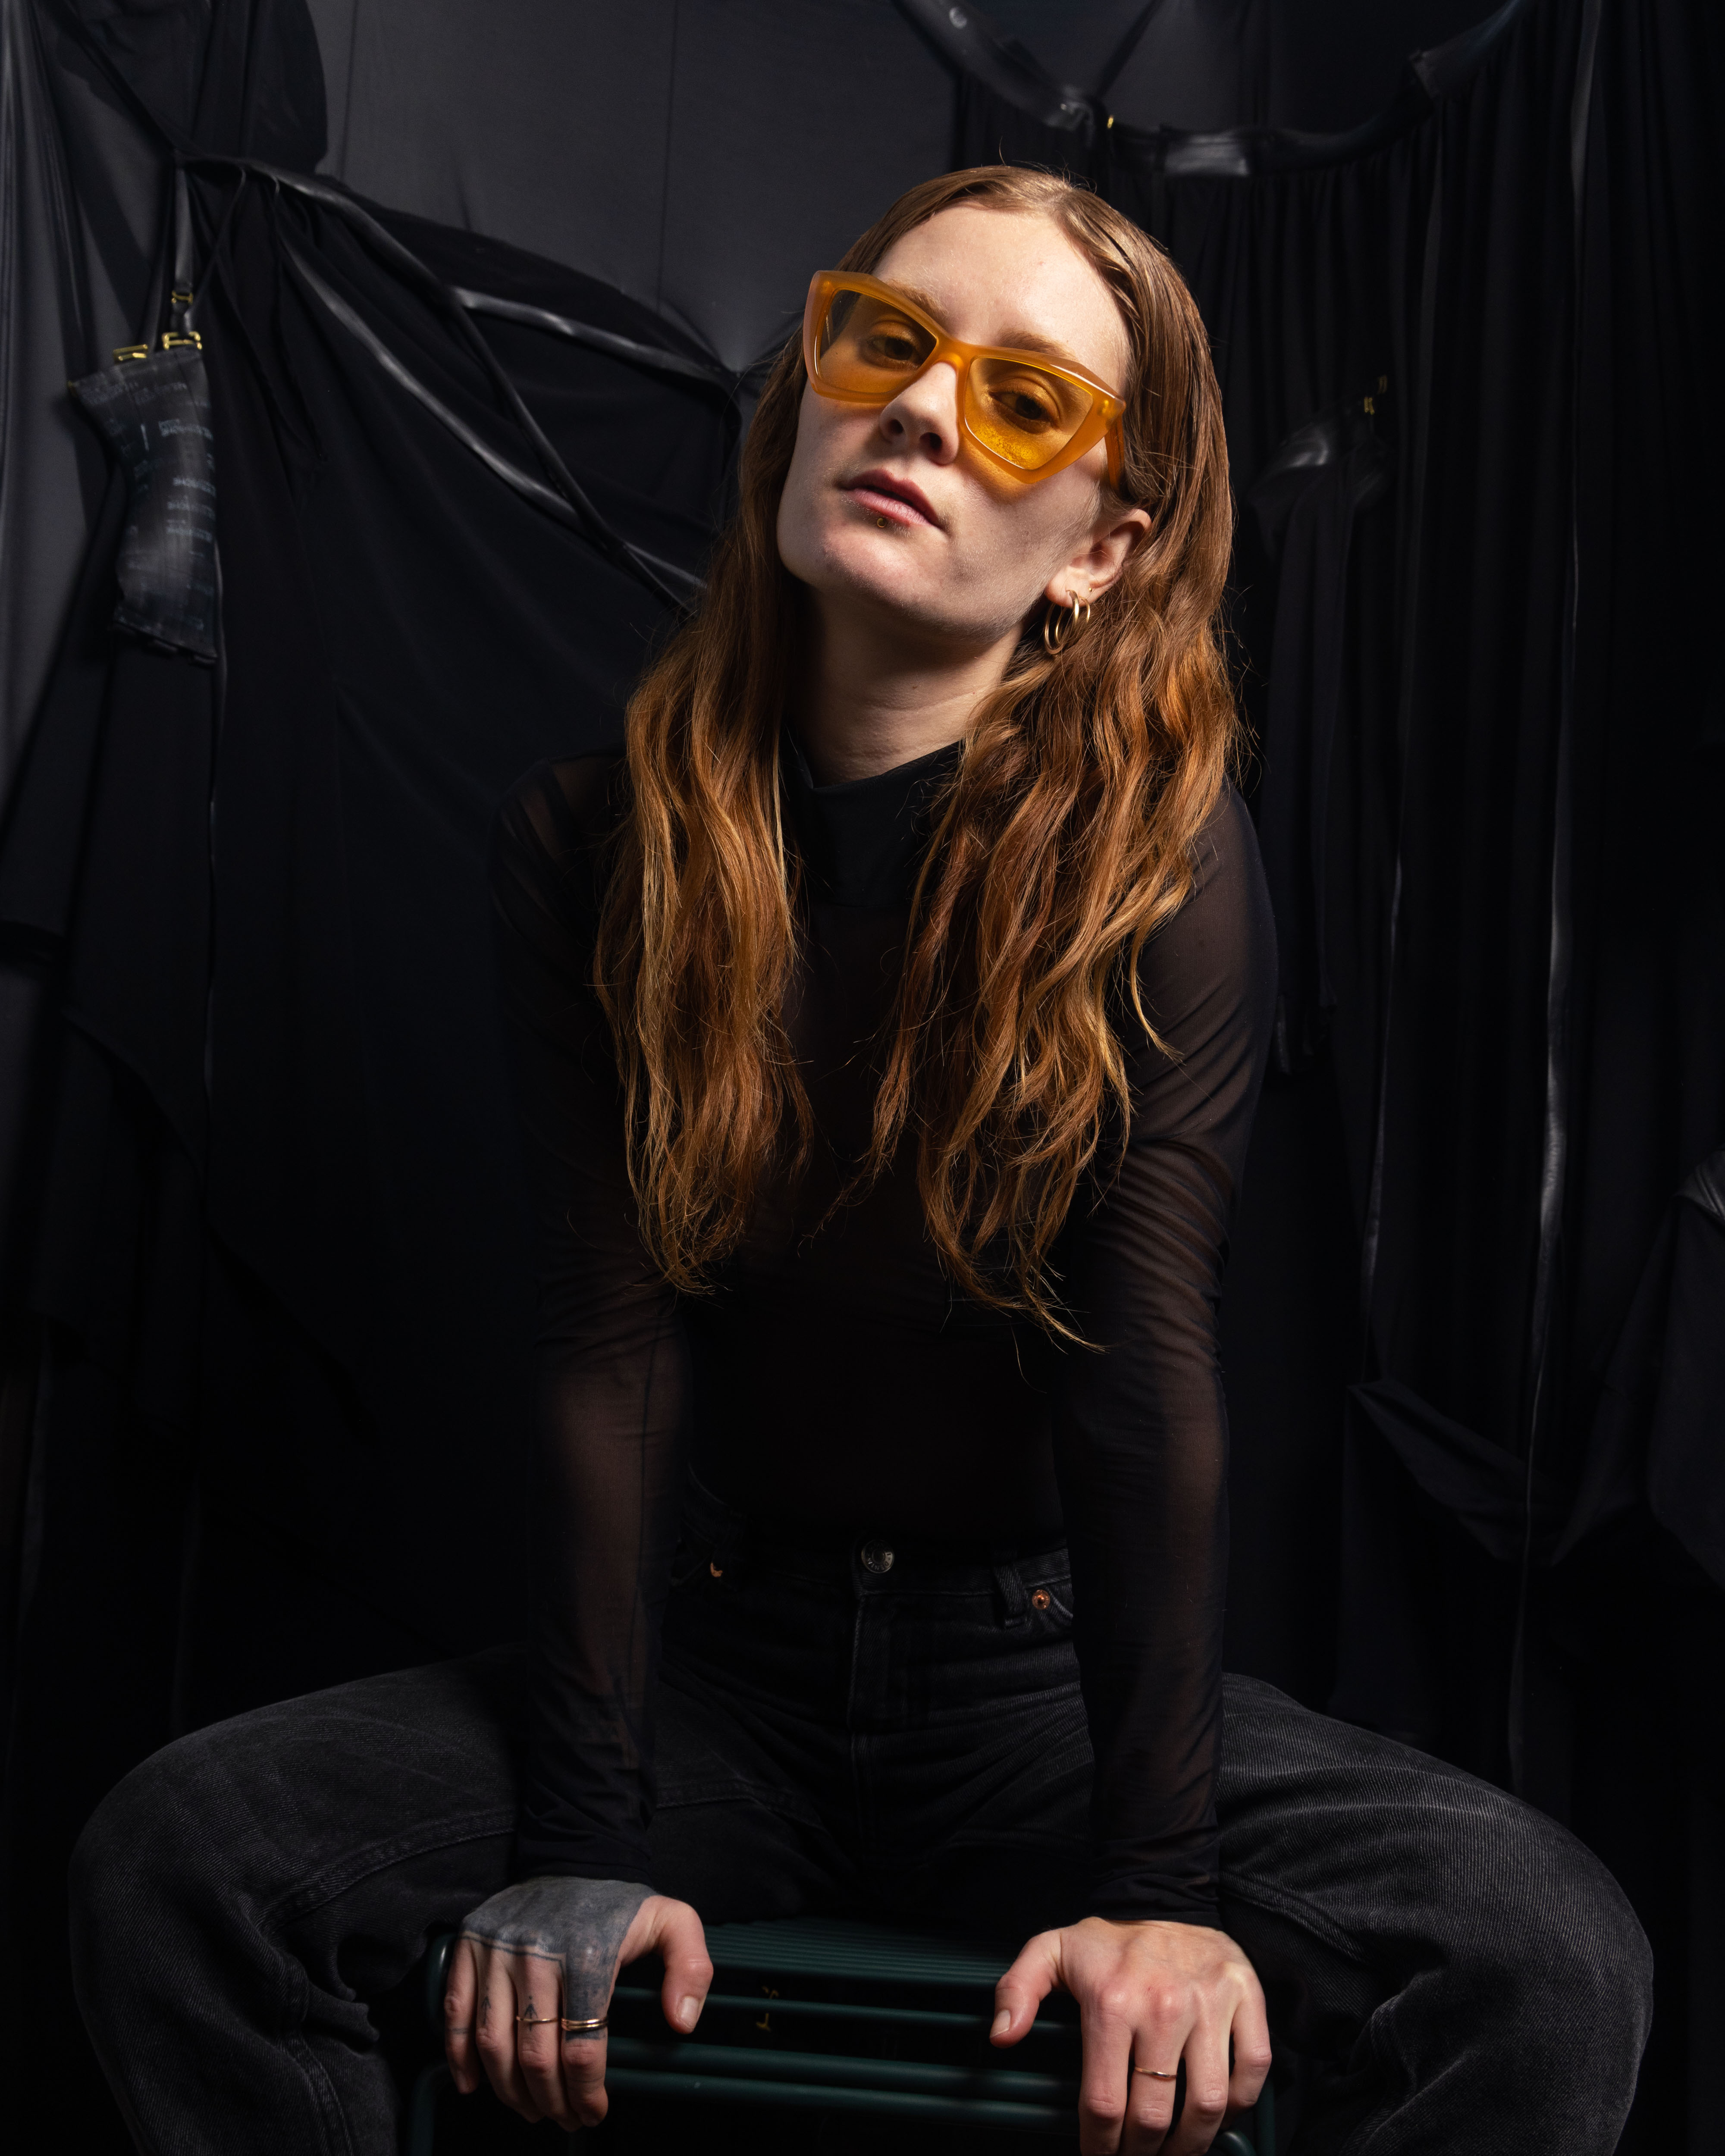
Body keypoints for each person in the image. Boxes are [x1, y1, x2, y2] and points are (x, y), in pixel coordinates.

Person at [69, 167, 1649, 2156]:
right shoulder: (589, 844)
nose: (918, 409)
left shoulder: (1162, 865)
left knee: (1537, 1951)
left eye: (1022, 398)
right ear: (807, 395)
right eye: (884, 342)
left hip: (1040, 1695)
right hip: (716, 1672)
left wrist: (1157, 1883)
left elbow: (1139, 1362)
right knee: (185, 1862)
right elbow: (609, 1343)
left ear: (1103, 549)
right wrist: (587, 1828)